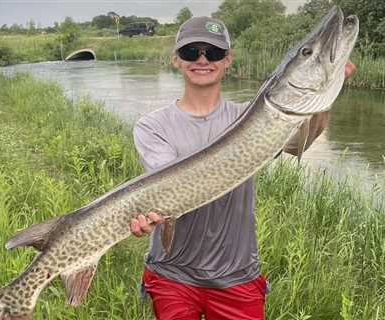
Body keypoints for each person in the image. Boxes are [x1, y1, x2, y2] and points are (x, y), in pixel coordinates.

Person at [131, 16, 355, 320]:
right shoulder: (152, 126)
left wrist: (324, 97)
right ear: (176, 60)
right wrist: (147, 213)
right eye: (190, 52)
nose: (201, 60)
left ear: (228, 60)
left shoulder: (255, 116)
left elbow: (297, 145)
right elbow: (168, 186)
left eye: (212, 52)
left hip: (236, 275)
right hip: (172, 274)